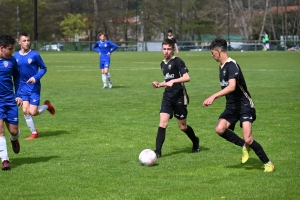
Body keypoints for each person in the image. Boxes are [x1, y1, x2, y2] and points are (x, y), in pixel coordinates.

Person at [202, 37, 274, 172]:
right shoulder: (222, 67)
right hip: (231, 106)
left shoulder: (231, 65)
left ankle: (268, 162)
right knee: (220, 129)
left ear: (218, 51)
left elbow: (232, 87)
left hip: (244, 105)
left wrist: (213, 96)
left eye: (212, 53)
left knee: (249, 138)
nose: (212, 55)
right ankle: (243, 146)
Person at [152, 38, 199, 158]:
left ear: (173, 50)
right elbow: (168, 80)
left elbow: (187, 77)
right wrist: (160, 84)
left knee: (183, 127)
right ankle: (157, 152)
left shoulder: (178, 61)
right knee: (163, 123)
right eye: (164, 49)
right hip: (167, 97)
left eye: (168, 49)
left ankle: (195, 141)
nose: (166, 51)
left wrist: (173, 81)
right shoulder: (162, 64)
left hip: (179, 97)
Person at [13, 32, 55, 140]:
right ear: (19, 42)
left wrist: (36, 77)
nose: (27, 43)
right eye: (24, 41)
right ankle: (34, 132)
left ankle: (47, 106)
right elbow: (15, 76)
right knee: (25, 111)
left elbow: (44, 68)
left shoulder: (35, 55)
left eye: (28, 40)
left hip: (34, 87)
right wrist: (17, 93)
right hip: (22, 87)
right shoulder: (15, 57)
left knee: (33, 112)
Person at [0, 34, 23, 170]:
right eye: (10, 49)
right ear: (1, 48)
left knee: (13, 131)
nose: (12, 51)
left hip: (10, 100)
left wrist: (19, 95)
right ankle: (5, 160)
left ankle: (14, 139)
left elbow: (17, 78)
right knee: (0, 130)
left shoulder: (12, 61)